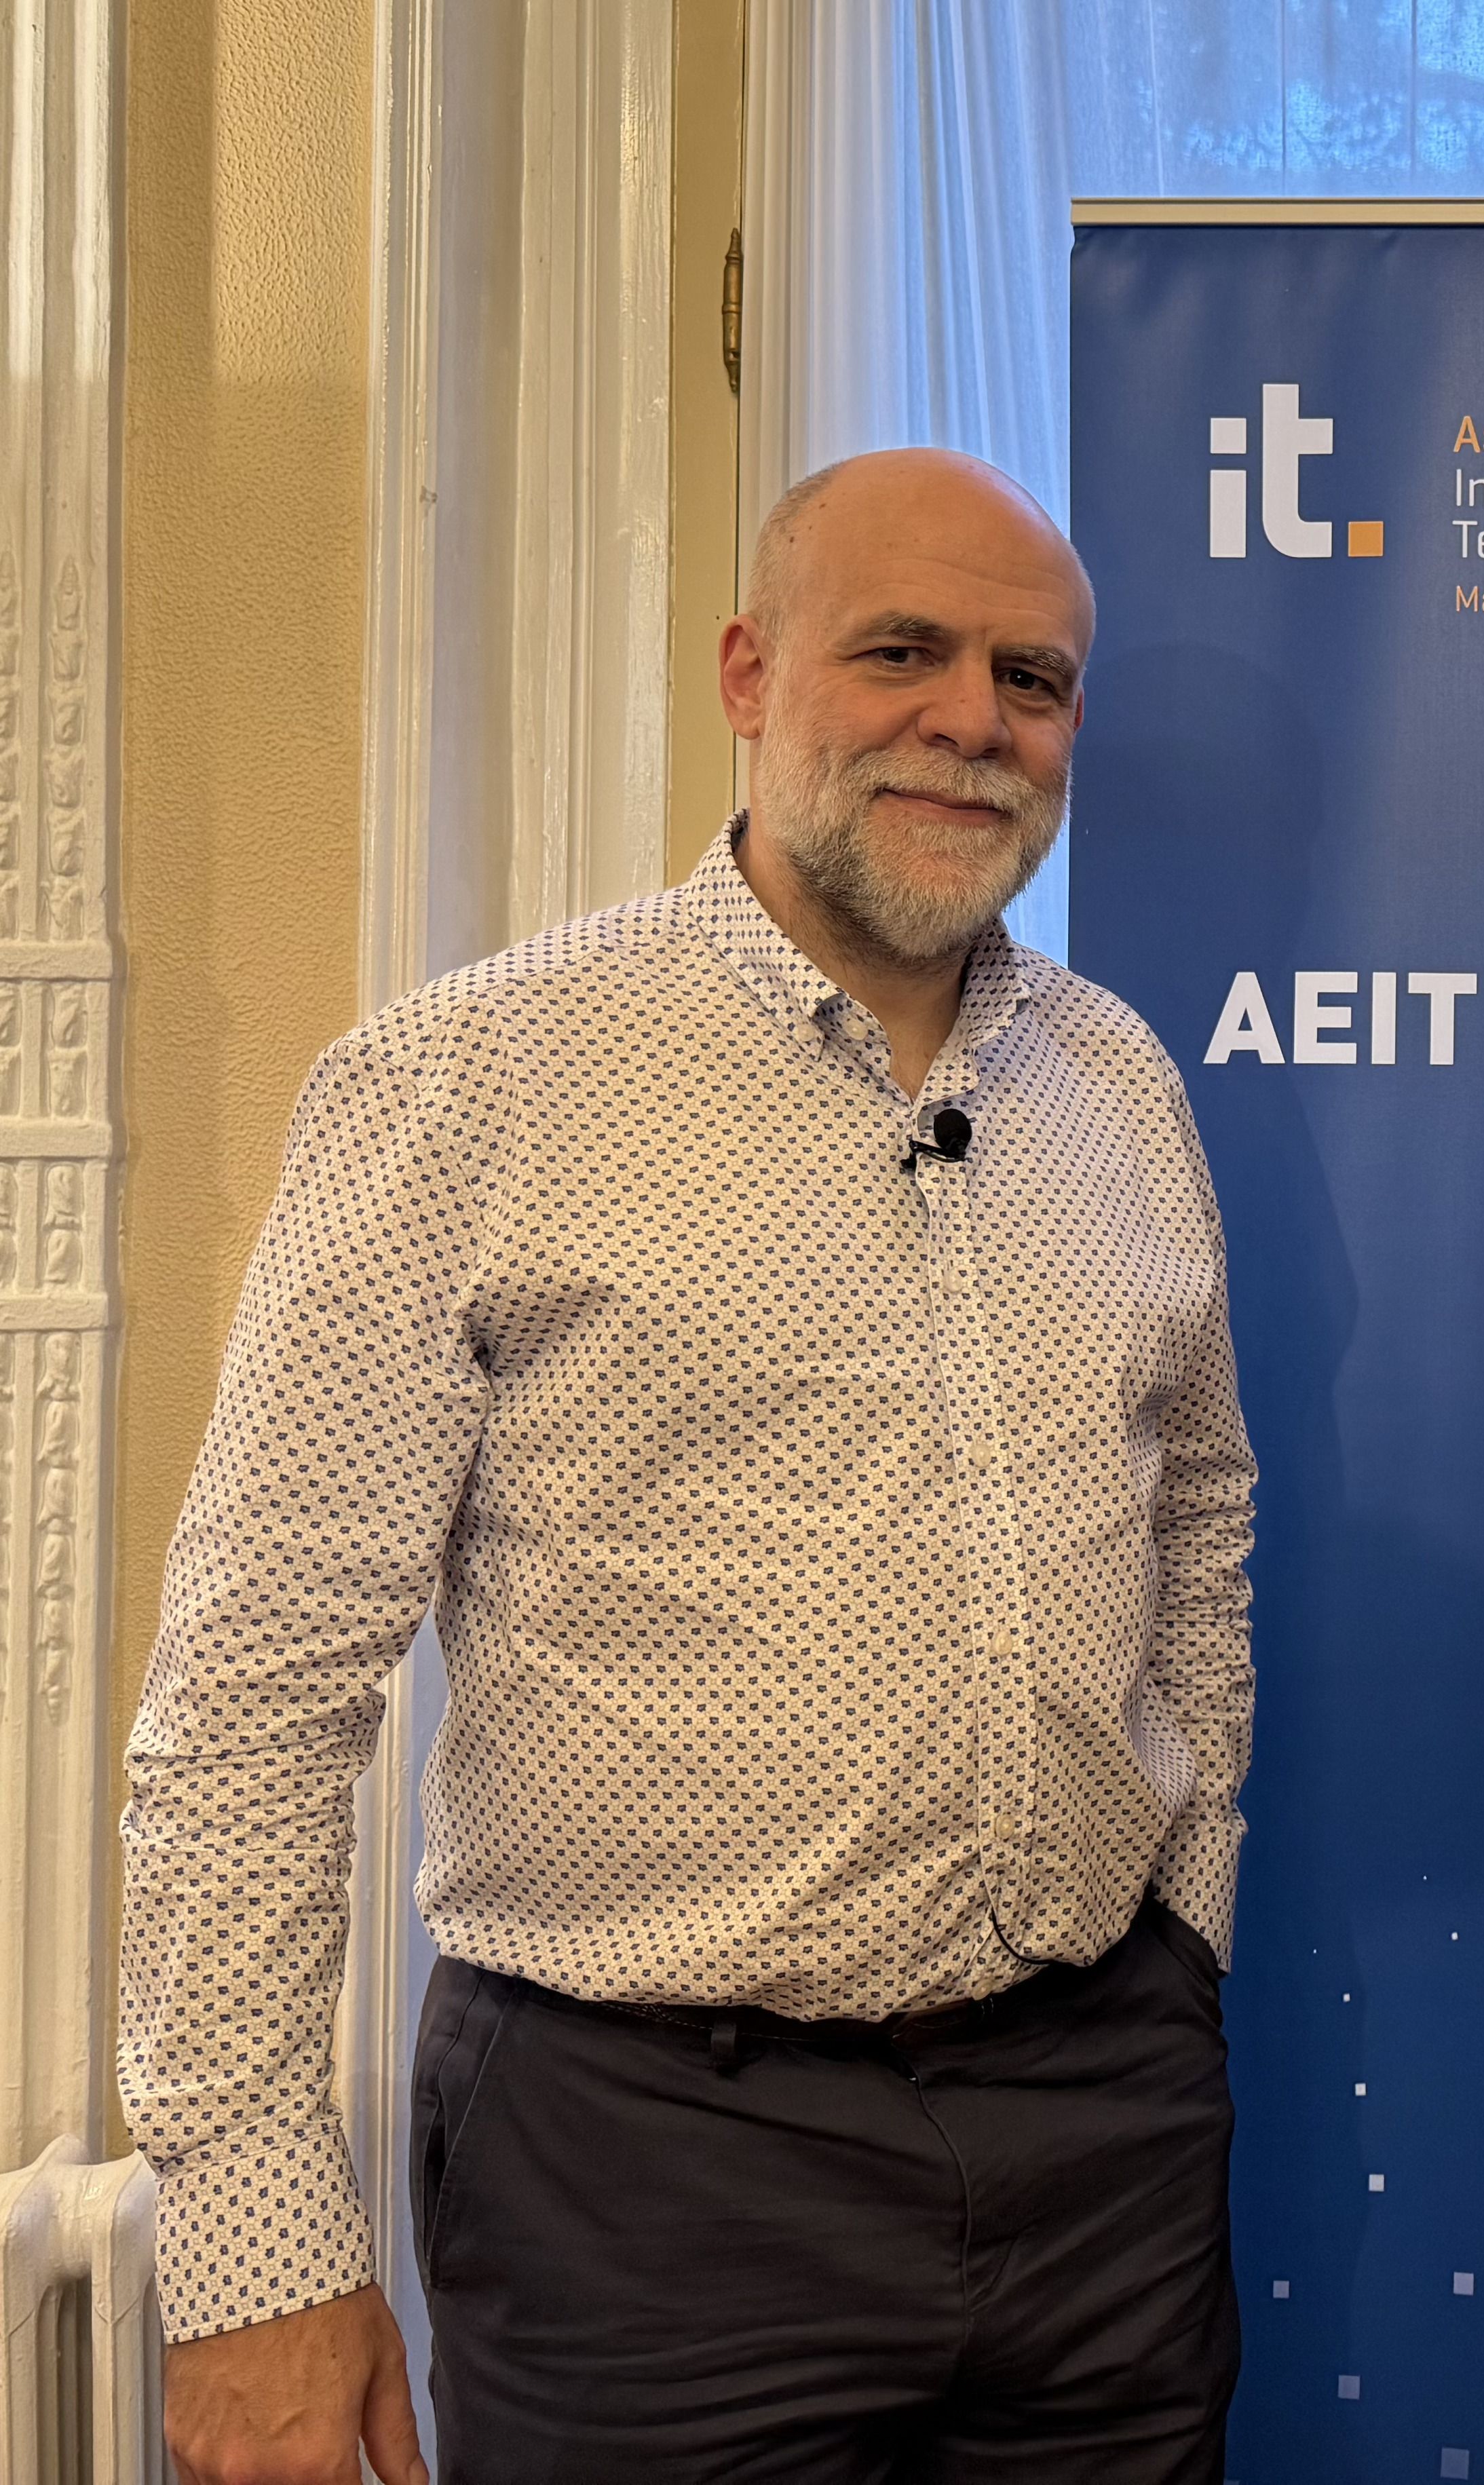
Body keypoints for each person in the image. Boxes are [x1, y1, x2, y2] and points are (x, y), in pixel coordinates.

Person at [121, 448, 1257, 2484]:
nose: (973, 719)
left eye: (1031, 678)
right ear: (748, 673)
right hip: (647, 2172)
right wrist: (250, 2244)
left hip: (1104, 2142)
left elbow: (1198, 1515)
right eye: (900, 651)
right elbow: (253, 1694)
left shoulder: (1120, 1085)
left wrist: (1182, 1940)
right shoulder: (469, 1080)